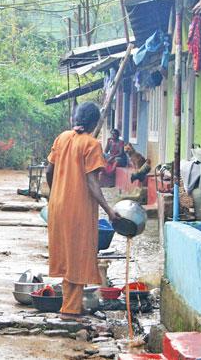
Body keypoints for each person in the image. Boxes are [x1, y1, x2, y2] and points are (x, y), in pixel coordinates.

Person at [45, 102, 120, 320]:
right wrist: (109, 210)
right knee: (78, 255)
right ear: (96, 122)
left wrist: (56, 193)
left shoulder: (63, 137)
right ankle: (69, 310)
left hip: (57, 206)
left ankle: (73, 305)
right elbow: (92, 183)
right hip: (77, 209)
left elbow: (49, 170)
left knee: (67, 255)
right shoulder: (91, 144)